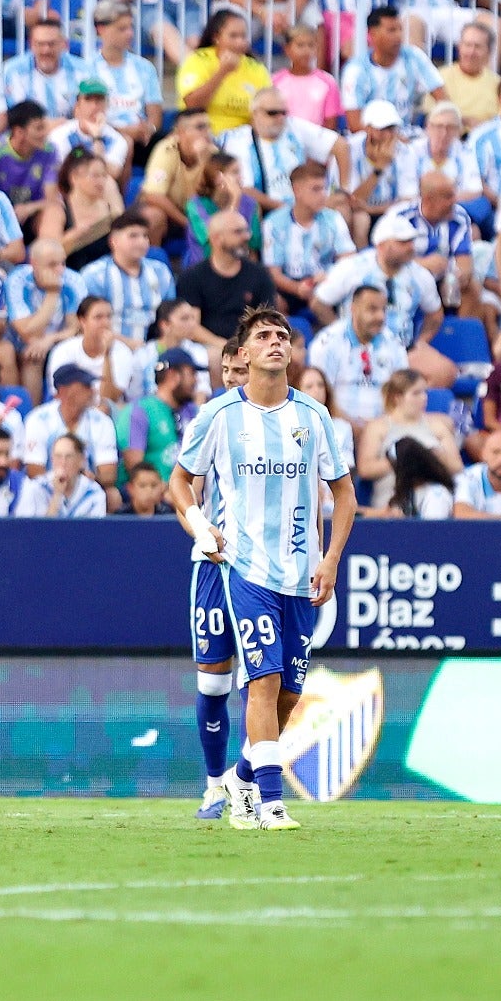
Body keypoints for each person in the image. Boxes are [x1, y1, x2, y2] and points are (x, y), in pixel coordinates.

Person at [172, 307, 354, 831]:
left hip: (300, 572)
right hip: (244, 568)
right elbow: (179, 481)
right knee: (263, 681)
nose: (276, 342)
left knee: (290, 695)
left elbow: (344, 494)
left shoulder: (314, 416)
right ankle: (270, 803)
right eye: (264, 336)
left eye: (283, 336)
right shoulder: (219, 415)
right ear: (245, 353)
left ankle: (240, 776)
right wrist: (201, 528)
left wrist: (331, 559)